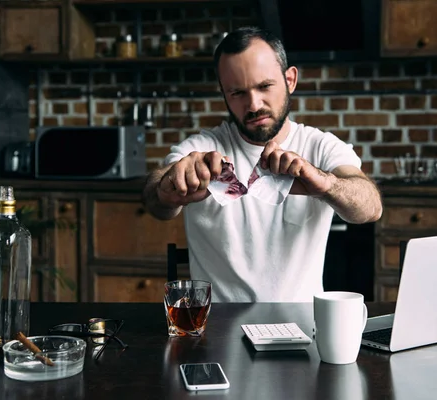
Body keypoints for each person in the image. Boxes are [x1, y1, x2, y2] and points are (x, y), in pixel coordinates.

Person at [142, 26, 383, 302]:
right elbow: (154, 197)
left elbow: (370, 207)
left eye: (264, 86)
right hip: (217, 329)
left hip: (301, 326)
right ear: (223, 94)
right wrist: (170, 190)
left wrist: (324, 184)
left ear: (290, 80)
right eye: (237, 93)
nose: (253, 104)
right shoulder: (201, 149)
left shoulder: (321, 146)